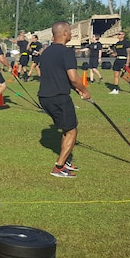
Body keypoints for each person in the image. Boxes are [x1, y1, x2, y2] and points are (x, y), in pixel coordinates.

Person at [38, 21, 90, 177]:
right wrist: (84, 90)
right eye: (70, 32)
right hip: (59, 97)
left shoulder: (45, 52)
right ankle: (59, 167)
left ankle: (65, 161)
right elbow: (73, 78)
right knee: (72, 131)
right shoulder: (67, 52)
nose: (72, 35)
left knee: (66, 128)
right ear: (65, 33)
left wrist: (75, 88)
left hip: (44, 97)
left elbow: (56, 74)